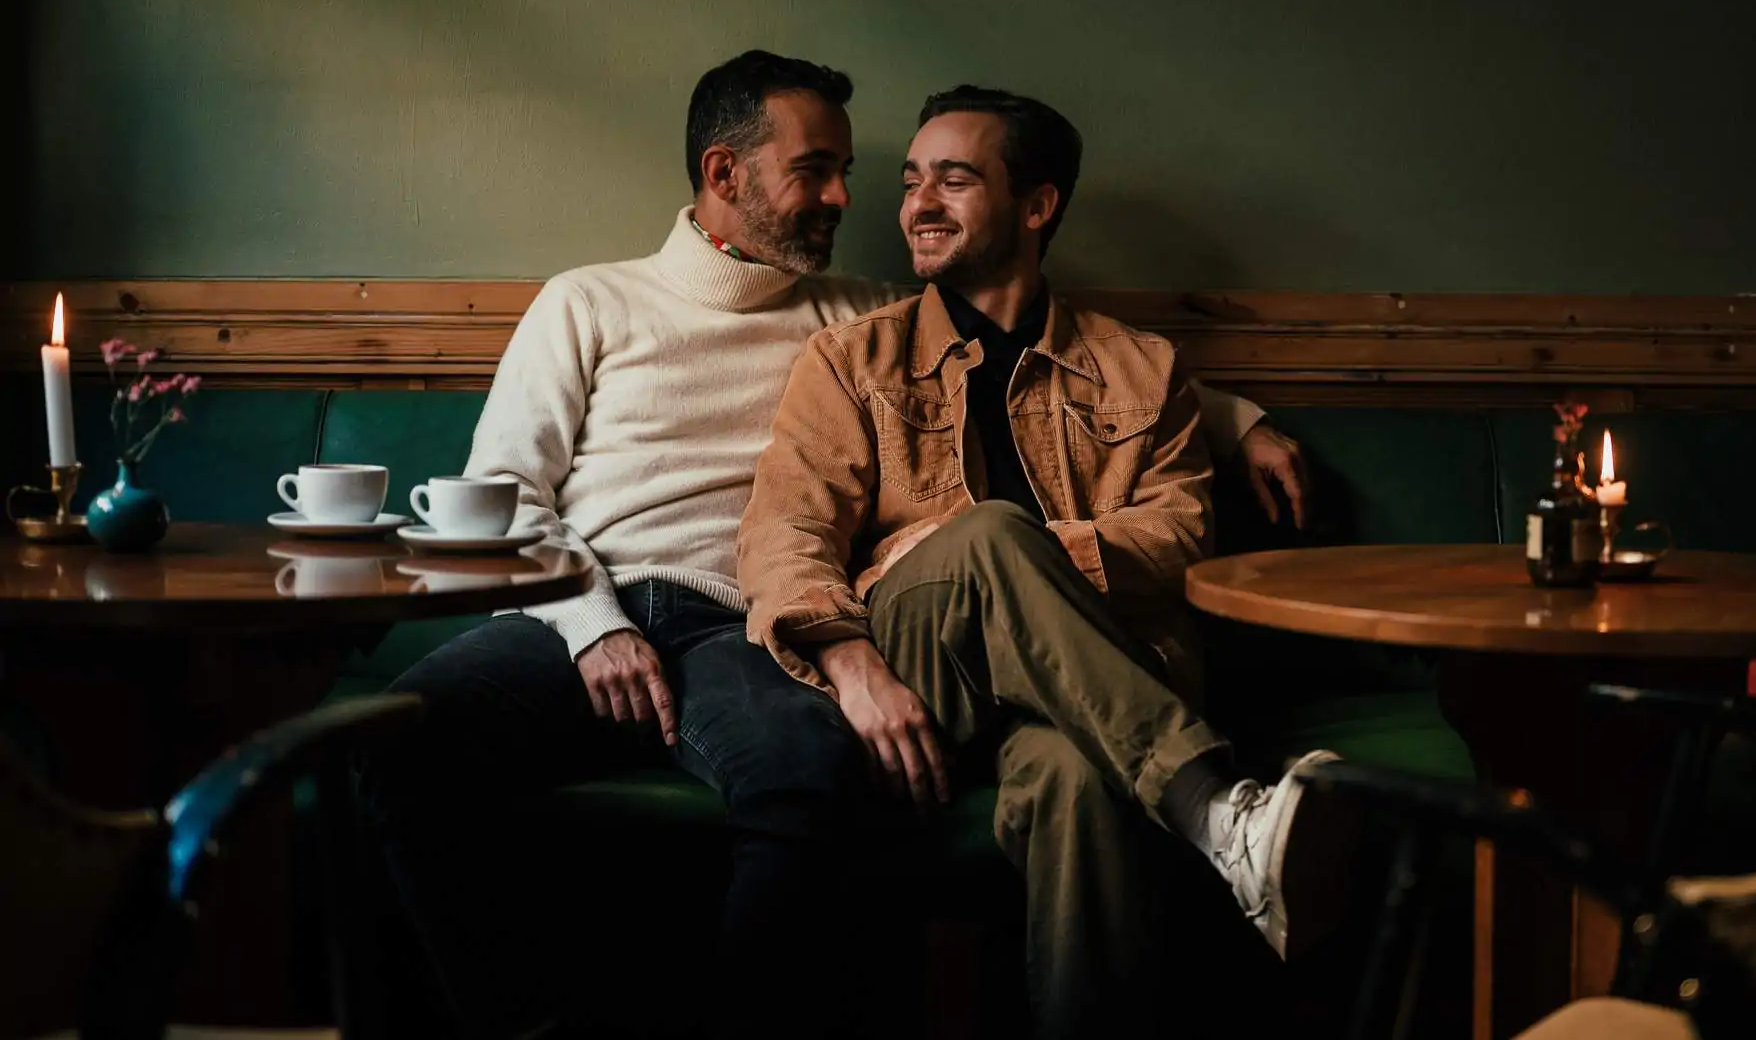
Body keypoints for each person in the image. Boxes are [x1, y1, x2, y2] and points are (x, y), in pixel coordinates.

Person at [361, 52, 1307, 1038]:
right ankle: (515, 1026)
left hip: (749, 629)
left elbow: (1051, 356)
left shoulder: (853, 313)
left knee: (820, 785)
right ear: (727, 175)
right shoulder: (595, 303)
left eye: (851, 170)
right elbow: (503, 495)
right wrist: (593, 626)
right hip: (594, 608)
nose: (847, 197)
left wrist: (1237, 420)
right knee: (394, 740)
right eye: (818, 171)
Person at [739, 86, 1353, 1040]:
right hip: (922, 667)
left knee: (1074, 776)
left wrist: (1025, 563)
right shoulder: (851, 360)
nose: (917, 204)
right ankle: (1217, 810)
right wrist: (853, 657)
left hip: (1090, 696)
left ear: (1037, 205)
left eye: (954, 178)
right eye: (909, 182)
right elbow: (784, 536)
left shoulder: (1141, 366)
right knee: (985, 531)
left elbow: (1181, 533)